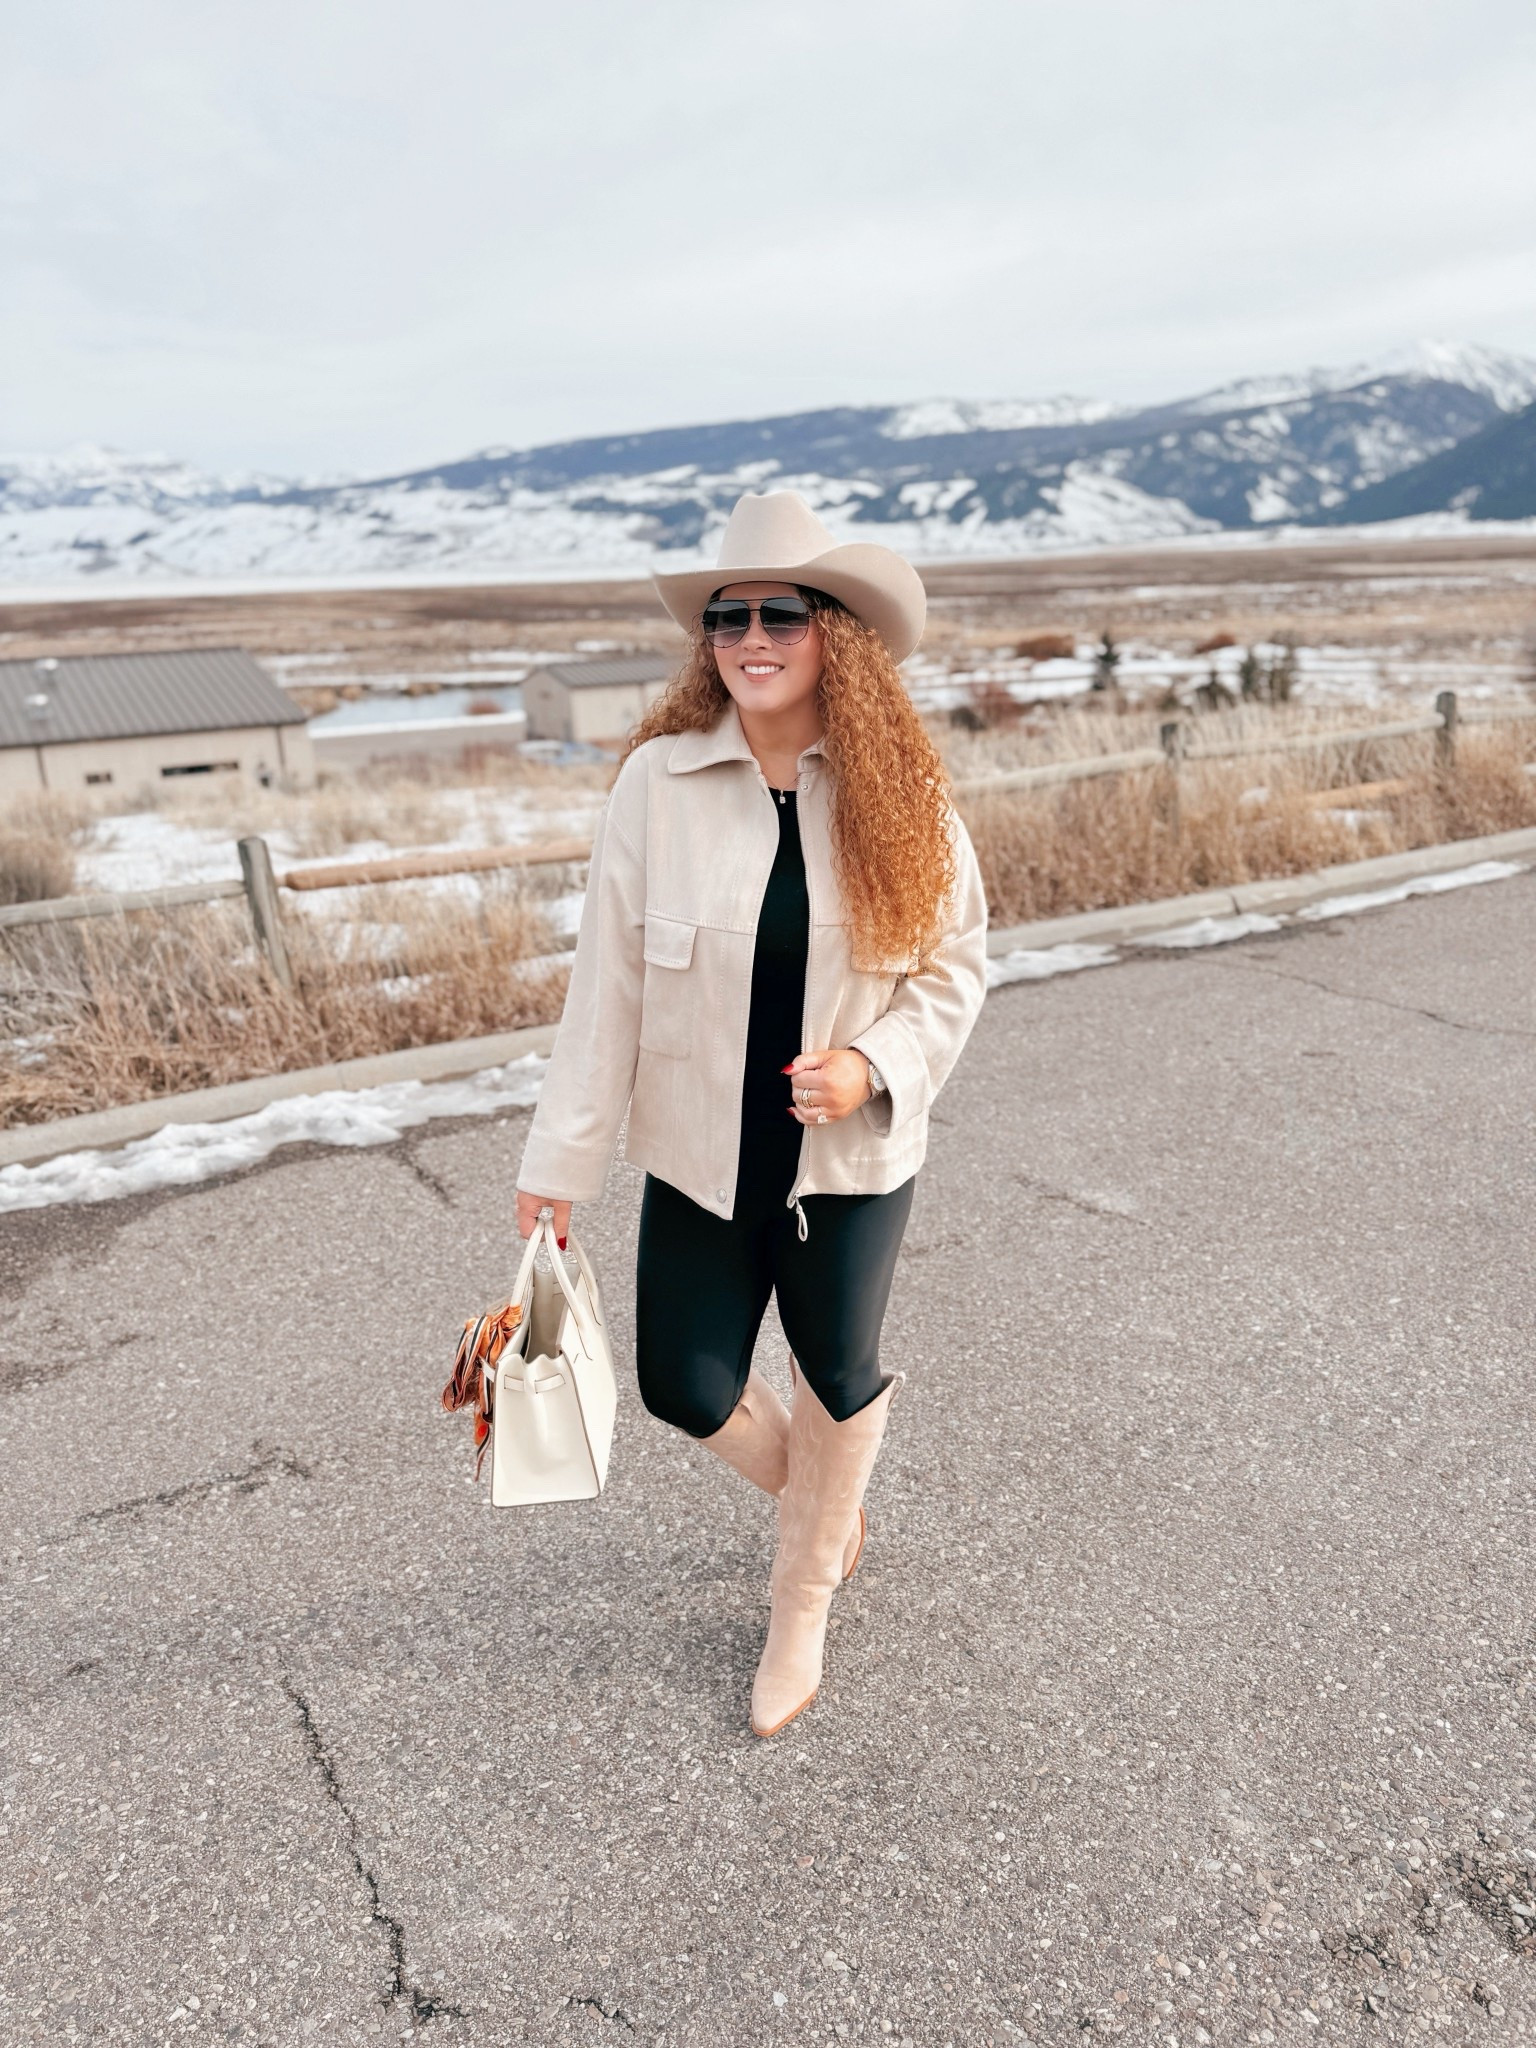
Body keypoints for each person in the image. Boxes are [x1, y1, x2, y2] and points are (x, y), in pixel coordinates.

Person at [515, 490, 988, 1736]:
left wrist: (871, 1062)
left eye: (783, 611)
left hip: (850, 1154)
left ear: (840, 631)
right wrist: (557, 1161)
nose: (752, 635)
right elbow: (604, 988)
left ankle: (801, 1600)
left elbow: (956, 969)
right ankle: (828, 1509)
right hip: (698, 1149)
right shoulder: (656, 786)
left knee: (835, 1377)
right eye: (730, 615)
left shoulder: (905, 794)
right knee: (683, 1375)